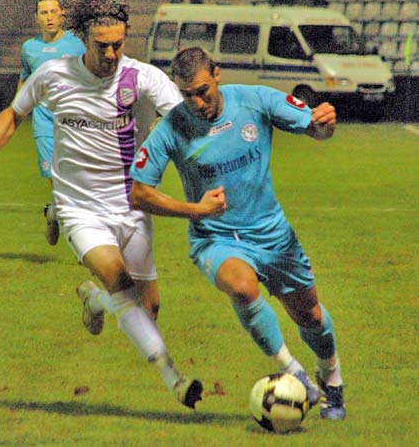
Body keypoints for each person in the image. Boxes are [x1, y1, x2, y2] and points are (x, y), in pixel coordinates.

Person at [0, 0, 202, 409]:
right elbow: (14, 113)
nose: (111, 54)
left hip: (131, 204)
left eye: (118, 45)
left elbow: (185, 120)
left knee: (148, 308)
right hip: (79, 208)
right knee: (120, 282)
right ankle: (175, 379)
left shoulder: (142, 77)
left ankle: (94, 299)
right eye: (101, 46)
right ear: (84, 40)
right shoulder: (54, 75)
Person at [130, 47, 346, 420]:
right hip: (215, 238)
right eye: (187, 94)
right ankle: (293, 371)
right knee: (243, 287)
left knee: (310, 316)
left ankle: (332, 378)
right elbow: (139, 193)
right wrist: (196, 210)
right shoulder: (172, 127)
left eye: (202, 91)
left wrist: (324, 123)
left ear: (217, 74)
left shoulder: (254, 100)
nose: (196, 103)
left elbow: (316, 129)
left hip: (272, 234)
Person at [0, 0, 86, 246]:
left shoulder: (78, 43)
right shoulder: (30, 49)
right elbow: (23, 87)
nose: (49, 17)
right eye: (44, 12)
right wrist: (14, 114)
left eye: (54, 11)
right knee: (60, 182)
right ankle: (84, 246)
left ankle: (54, 213)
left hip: (77, 125)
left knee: (76, 185)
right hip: (45, 124)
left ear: (62, 15)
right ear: (37, 18)